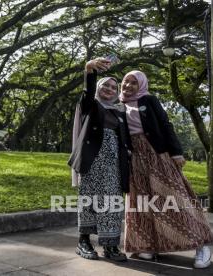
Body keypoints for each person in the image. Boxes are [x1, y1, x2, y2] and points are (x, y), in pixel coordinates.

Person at [120, 70, 213, 269]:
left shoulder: (149, 100)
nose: (127, 86)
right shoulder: (118, 106)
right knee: (143, 202)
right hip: (136, 160)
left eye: (133, 83)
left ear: (141, 85)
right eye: (125, 82)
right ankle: (148, 245)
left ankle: (202, 245)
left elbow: (165, 124)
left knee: (176, 199)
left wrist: (176, 152)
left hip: (158, 154)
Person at [68, 58, 131, 262]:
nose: (110, 89)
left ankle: (110, 245)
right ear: (98, 87)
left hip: (114, 165)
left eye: (114, 87)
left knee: (112, 203)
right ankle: (83, 242)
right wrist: (89, 70)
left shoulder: (120, 111)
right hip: (92, 160)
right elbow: (87, 92)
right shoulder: (90, 106)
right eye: (106, 85)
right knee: (89, 200)